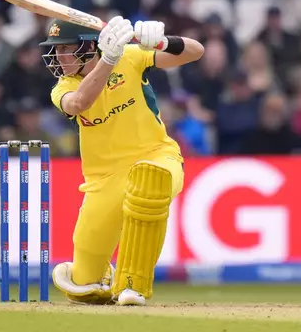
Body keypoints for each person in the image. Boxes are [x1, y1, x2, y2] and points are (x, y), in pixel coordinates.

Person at [39, 16, 204, 306]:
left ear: (89, 46)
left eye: (66, 48)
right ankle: (100, 276)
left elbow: (196, 51)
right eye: (57, 50)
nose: (60, 57)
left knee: (149, 180)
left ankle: (133, 285)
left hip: (157, 155)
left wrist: (163, 41)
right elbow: (80, 103)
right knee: (84, 282)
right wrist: (109, 59)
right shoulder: (62, 88)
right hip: (103, 181)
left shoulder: (131, 57)